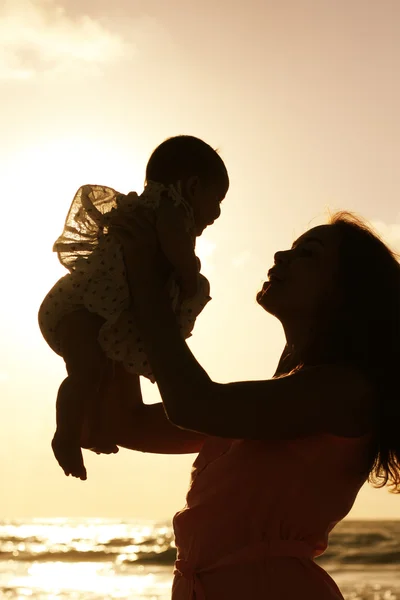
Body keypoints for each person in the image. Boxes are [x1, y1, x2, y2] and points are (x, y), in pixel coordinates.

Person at [106, 210, 400, 599]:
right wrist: (115, 295)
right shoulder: (273, 401)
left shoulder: (343, 390)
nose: (281, 256)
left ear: (347, 291)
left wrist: (147, 281)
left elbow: (194, 404)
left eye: (306, 254)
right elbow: (125, 423)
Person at [38, 135, 229, 481]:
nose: (216, 213)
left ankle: (92, 427)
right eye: (216, 201)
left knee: (98, 373)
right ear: (192, 186)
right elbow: (177, 253)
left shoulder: (159, 212)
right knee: (86, 373)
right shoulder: (169, 210)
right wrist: (190, 274)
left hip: (103, 312)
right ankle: (65, 435)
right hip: (80, 309)